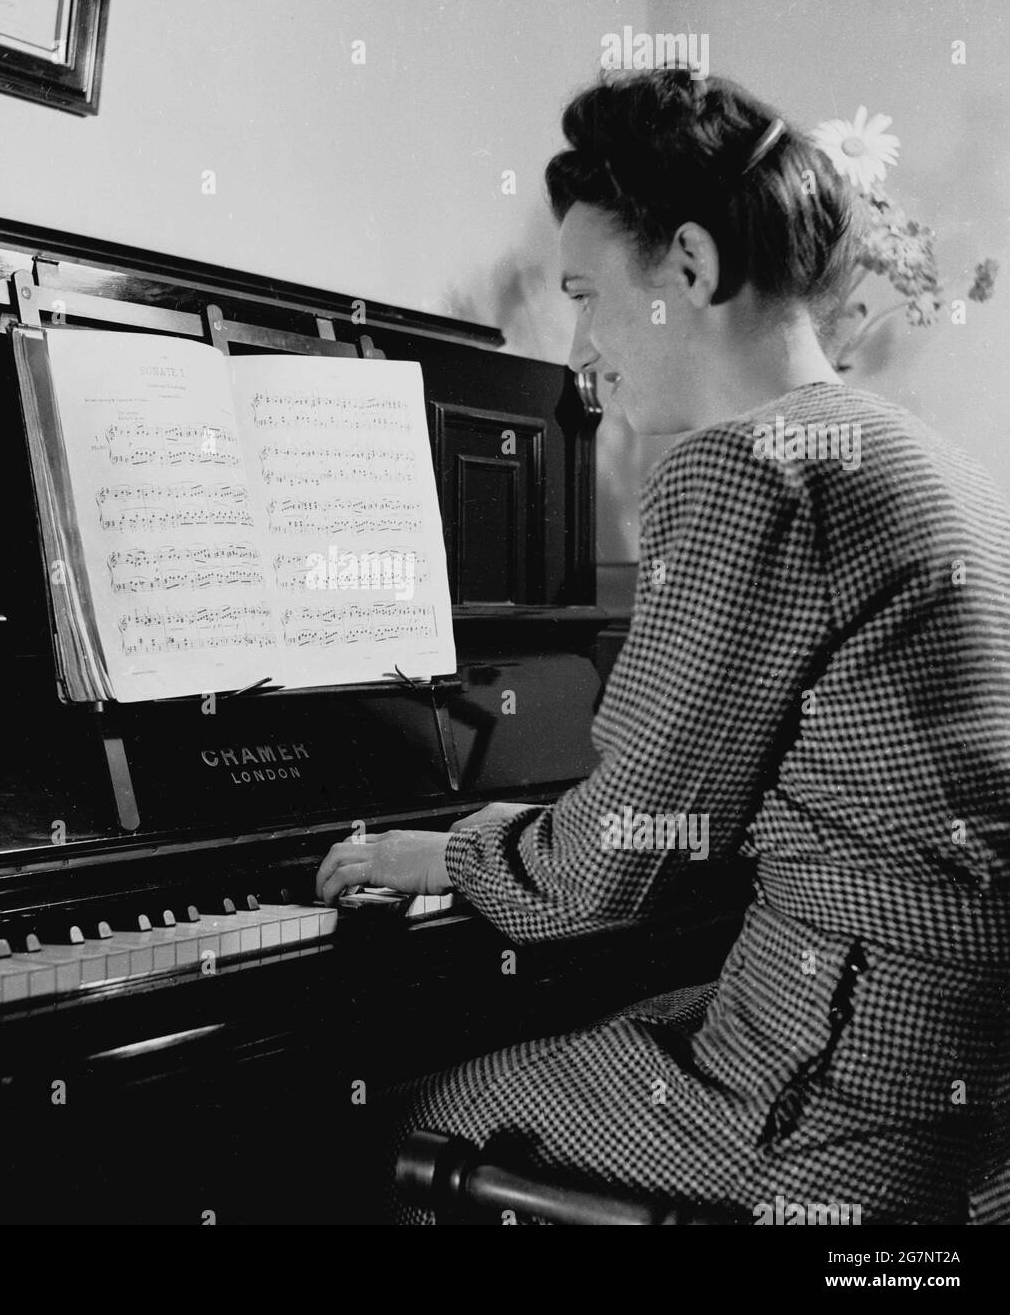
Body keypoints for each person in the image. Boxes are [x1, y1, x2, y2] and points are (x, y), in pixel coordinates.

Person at [315, 67, 1010, 1225]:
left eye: (587, 294)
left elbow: (608, 868)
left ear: (688, 266)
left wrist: (448, 851)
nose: (580, 348)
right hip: (968, 1113)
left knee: (401, 1110)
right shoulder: (934, 463)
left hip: (832, 1108)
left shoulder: (748, 465)